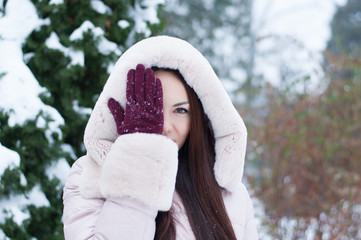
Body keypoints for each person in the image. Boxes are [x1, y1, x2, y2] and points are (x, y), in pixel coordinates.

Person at [62, 36, 259, 239]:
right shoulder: (89, 177)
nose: (163, 125)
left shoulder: (232, 195)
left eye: (181, 110)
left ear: (200, 118)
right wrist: (140, 158)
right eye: (152, 110)